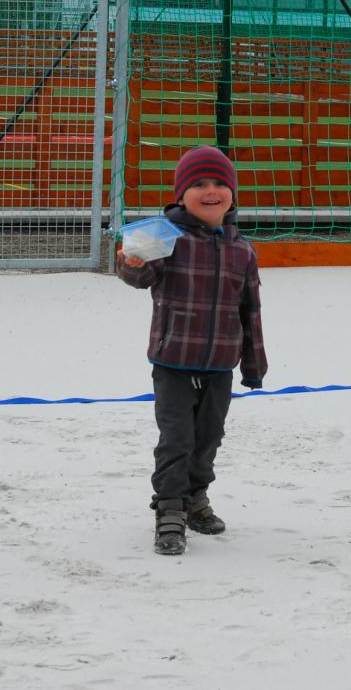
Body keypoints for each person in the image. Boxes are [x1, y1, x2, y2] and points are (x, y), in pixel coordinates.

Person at [116, 146, 268, 555]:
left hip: (220, 366)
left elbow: (250, 311)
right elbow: (139, 276)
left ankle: (196, 497)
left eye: (219, 184)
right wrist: (131, 263)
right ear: (181, 195)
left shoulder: (242, 250)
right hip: (174, 362)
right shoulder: (166, 237)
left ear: (232, 194)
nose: (211, 191)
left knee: (208, 439)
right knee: (176, 438)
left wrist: (253, 366)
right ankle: (170, 509)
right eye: (199, 184)